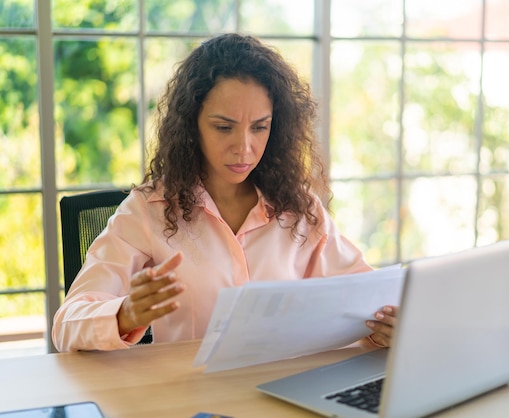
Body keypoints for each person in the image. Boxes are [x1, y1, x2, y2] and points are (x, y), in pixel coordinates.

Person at [52, 33, 397, 352]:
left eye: (260, 127)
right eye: (223, 127)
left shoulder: (298, 207)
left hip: (283, 393)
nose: (244, 148)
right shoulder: (148, 210)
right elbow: (67, 324)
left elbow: (368, 297)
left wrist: (384, 325)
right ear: (191, 126)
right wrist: (125, 313)